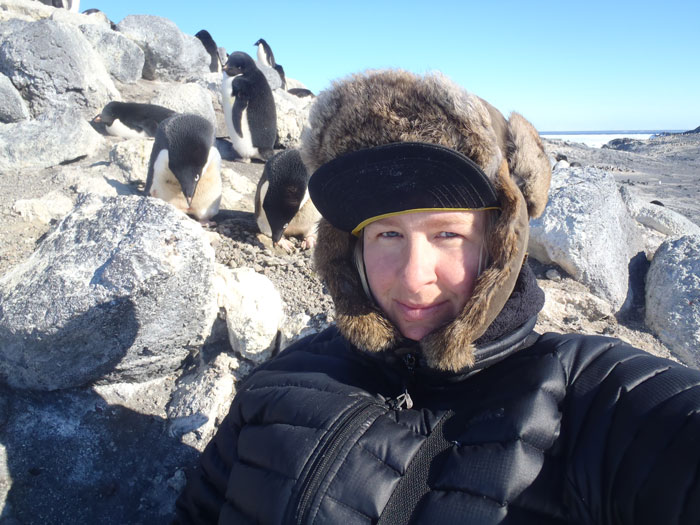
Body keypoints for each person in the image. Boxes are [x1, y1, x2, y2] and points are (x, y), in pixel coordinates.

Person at [175, 70, 700, 524]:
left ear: (500, 246)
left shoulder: (581, 389)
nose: (413, 278)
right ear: (350, 246)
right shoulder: (280, 381)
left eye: (447, 234)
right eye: (387, 234)